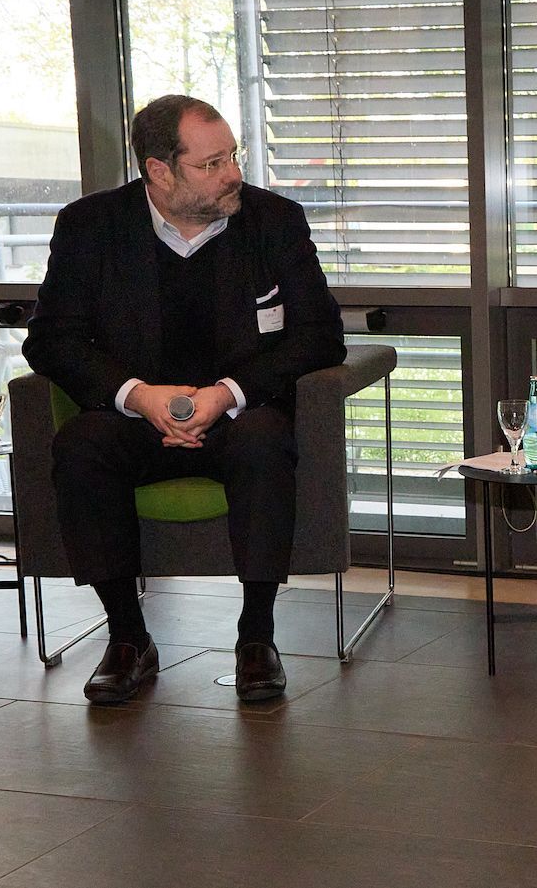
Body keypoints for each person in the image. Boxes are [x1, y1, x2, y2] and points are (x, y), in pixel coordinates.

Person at [22, 94, 345, 704]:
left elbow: (320, 335)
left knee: (265, 438)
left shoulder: (274, 221)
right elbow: (51, 339)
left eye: (233, 156)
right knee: (83, 445)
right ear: (159, 170)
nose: (233, 174)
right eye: (212, 163)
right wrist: (137, 396)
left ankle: (257, 636)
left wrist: (227, 394)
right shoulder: (91, 226)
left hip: (238, 415)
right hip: (136, 420)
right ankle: (127, 636)